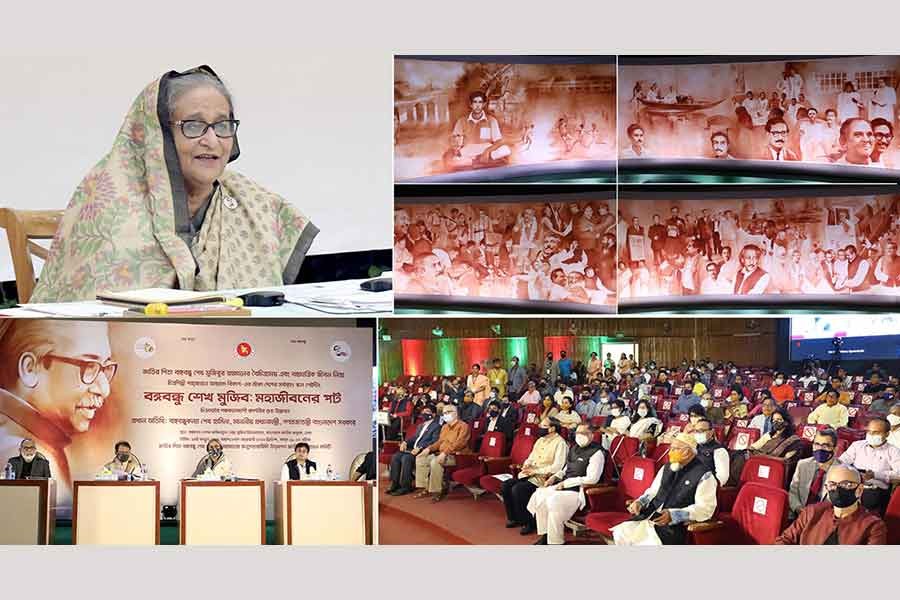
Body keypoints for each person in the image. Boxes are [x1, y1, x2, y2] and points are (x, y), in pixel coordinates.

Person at [31, 67, 317, 303]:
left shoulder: (256, 203)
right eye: (193, 125)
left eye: (222, 125)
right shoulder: (112, 204)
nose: (212, 141)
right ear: (159, 136)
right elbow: (90, 318)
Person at [0, 320, 115, 498]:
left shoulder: (40, 442)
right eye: (88, 366)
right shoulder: (16, 452)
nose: (104, 390)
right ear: (30, 368)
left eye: (106, 368)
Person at [613, 433, 717, 545]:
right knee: (621, 532)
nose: (670, 452)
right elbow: (653, 491)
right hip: (650, 516)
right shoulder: (667, 467)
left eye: (674, 449)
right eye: (670, 448)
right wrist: (640, 502)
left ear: (687, 452)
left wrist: (674, 515)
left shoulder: (704, 475)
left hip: (673, 526)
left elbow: (705, 509)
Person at [527, 424, 605, 544]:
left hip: (579, 491)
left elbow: (592, 479)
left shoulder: (597, 453)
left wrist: (566, 483)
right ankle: (545, 534)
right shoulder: (574, 448)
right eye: (577, 433)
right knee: (540, 494)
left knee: (553, 500)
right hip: (563, 486)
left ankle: (555, 542)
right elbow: (565, 469)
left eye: (583, 433)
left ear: (591, 435)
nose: (579, 436)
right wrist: (554, 477)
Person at [776, 465, 887, 544]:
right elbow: (785, 540)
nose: (838, 489)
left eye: (846, 484)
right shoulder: (812, 512)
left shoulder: (873, 526)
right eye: (832, 484)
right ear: (826, 488)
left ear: (860, 490)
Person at [501, 417, 567, 535]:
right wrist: (527, 465)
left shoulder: (561, 443)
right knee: (506, 485)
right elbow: (531, 456)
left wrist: (536, 471)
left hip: (544, 478)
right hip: (530, 474)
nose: (540, 428)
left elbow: (557, 467)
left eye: (544, 426)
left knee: (519, 489)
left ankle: (529, 522)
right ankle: (514, 518)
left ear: (552, 428)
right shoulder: (540, 440)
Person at [837, 417, 900, 514]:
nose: (871, 435)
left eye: (876, 433)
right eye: (869, 432)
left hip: (874, 489)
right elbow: (841, 462)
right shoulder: (857, 445)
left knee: (865, 502)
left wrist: (875, 475)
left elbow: (898, 475)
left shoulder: (893, 451)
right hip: (852, 485)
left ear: (887, 434)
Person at [414, 404, 470, 502]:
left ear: (455, 413)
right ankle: (426, 487)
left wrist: (445, 453)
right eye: (444, 413)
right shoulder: (444, 427)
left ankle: (437, 491)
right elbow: (439, 442)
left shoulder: (463, 426)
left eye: (448, 412)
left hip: (456, 455)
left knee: (435, 462)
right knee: (421, 458)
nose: (446, 414)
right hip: (442, 453)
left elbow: (460, 443)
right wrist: (429, 449)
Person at [386, 404, 441, 496]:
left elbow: (434, 441)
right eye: (423, 412)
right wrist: (405, 442)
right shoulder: (421, 426)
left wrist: (421, 448)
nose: (424, 414)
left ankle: (406, 486)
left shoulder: (436, 426)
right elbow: (415, 438)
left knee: (406, 458)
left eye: (427, 412)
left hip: (423, 451)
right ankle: (394, 483)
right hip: (412, 449)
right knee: (396, 456)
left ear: (434, 414)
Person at [448, 91, 510, 168]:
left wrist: (487, 152)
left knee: (506, 149)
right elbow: (455, 140)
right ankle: (478, 161)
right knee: (453, 160)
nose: (477, 105)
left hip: (486, 148)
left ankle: (475, 161)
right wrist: (457, 150)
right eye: (475, 102)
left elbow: (498, 141)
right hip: (469, 150)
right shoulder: (461, 121)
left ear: (483, 104)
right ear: (471, 104)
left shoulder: (491, 120)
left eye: (480, 102)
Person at [788, 430, 838, 517]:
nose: (820, 448)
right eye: (816, 444)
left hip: (825, 519)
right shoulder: (803, 464)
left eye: (825, 445)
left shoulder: (842, 472)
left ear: (835, 449)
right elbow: (793, 492)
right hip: (799, 515)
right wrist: (798, 508)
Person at [692, 417, 729, 486]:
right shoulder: (694, 446)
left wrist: (708, 486)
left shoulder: (719, 451)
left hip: (707, 487)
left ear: (711, 432)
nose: (698, 433)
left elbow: (722, 478)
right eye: (696, 431)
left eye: (701, 431)